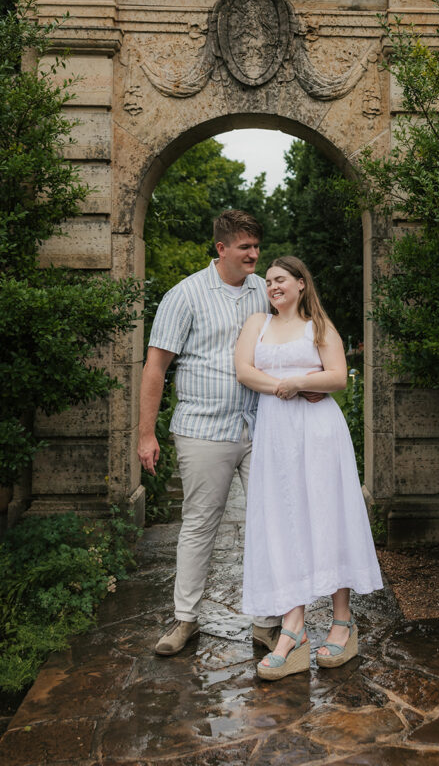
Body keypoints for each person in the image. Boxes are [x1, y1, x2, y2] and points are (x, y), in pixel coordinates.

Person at [138, 208, 282, 656]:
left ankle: (267, 623)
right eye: (245, 247)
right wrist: (146, 434)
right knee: (200, 525)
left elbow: (296, 335)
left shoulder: (266, 291)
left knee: (269, 523)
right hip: (203, 429)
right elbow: (155, 367)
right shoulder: (184, 295)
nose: (255, 255)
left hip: (262, 425)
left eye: (257, 246)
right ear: (221, 249)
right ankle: (185, 620)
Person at [235, 256, 383, 680]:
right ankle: (293, 630)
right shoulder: (256, 325)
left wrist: (299, 383)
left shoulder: (319, 326)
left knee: (327, 515)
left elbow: (337, 377)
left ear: (301, 284)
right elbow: (244, 370)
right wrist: (291, 386)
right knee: (284, 522)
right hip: (276, 433)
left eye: (280, 280)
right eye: (267, 282)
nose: (272, 287)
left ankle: (342, 623)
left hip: (319, 434)